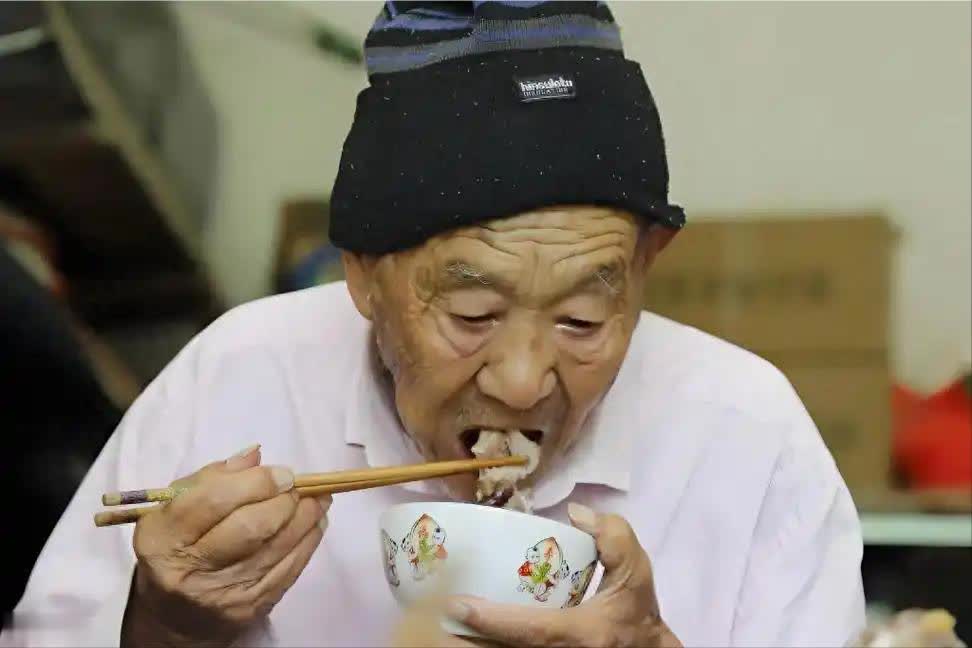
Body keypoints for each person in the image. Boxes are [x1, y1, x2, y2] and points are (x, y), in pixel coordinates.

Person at [2, 2, 865, 646]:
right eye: (472, 314)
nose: (522, 382)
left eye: (582, 319)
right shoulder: (241, 376)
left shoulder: (746, 432)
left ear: (646, 262)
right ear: (365, 274)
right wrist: (167, 626)